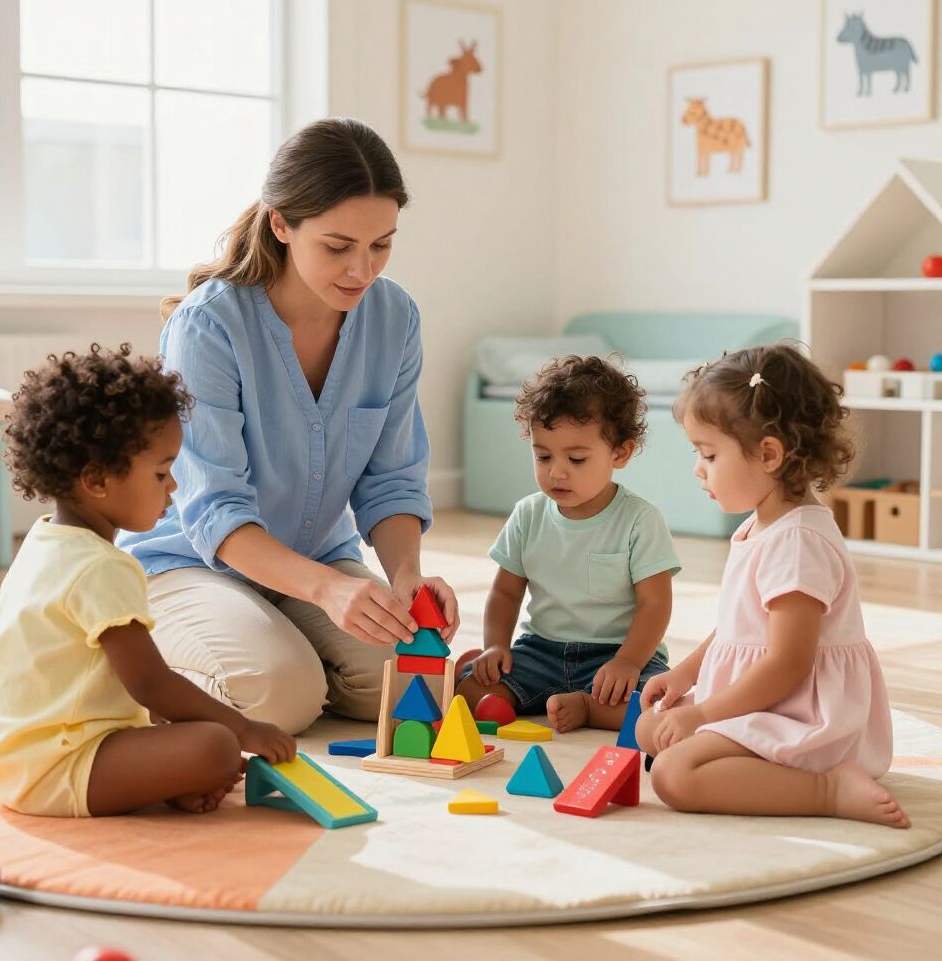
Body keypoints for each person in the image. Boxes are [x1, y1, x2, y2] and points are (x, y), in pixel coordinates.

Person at [118, 117, 458, 734]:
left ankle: (270, 645)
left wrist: (407, 579)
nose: (362, 269)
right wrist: (328, 592)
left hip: (313, 559)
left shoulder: (395, 318)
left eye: (381, 244)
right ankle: (139, 666)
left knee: (410, 678)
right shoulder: (209, 325)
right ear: (282, 224)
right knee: (282, 697)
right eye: (337, 246)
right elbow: (214, 511)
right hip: (190, 562)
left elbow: (391, 481)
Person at [0, 345, 296, 817]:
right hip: (58, 765)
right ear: (98, 480)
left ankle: (158, 783)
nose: (174, 488)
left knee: (194, 736)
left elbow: (133, 689)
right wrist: (246, 730)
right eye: (162, 473)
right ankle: (163, 778)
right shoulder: (101, 567)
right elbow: (151, 685)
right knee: (217, 747)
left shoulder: (46, 541)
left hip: (17, 753)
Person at [636, 345, 909, 828]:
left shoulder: (798, 541)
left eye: (709, 454)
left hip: (799, 711)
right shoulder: (762, 525)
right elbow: (738, 628)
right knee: (650, 728)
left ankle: (827, 788)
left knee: (673, 775)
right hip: (760, 697)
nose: (698, 469)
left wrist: (700, 717)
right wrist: (686, 675)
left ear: (768, 454)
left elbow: (788, 664)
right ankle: (749, 761)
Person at [454, 355, 680, 733]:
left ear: (620, 453)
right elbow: (506, 593)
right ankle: (531, 695)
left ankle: (589, 708)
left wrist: (627, 661)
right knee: (469, 688)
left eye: (576, 459)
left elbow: (655, 605)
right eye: (543, 456)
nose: (556, 471)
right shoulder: (528, 514)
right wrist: (496, 646)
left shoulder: (640, 520)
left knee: (658, 707)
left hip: (617, 653)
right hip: (541, 649)